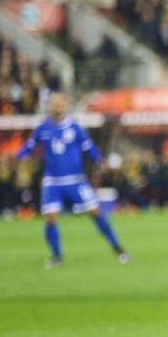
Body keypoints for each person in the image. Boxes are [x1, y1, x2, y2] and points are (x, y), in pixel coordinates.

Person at [16, 92, 128, 267]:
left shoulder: (75, 127)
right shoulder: (42, 128)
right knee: (50, 217)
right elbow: (29, 146)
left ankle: (118, 248)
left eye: (59, 104)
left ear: (66, 105)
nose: (56, 107)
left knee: (95, 213)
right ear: (49, 106)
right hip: (53, 181)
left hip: (76, 180)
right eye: (53, 104)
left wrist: (99, 160)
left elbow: (89, 147)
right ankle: (56, 256)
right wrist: (18, 156)